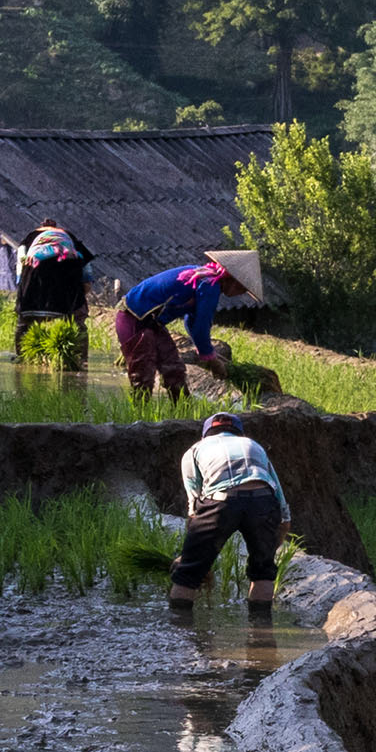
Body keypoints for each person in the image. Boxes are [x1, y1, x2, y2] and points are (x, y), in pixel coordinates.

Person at [168, 408, 290, 614]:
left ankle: (179, 626)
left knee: (187, 573)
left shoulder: (195, 450)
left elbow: (194, 506)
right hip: (263, 501)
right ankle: (261, 628)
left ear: (206, 434)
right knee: (263, 571)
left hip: (221, 500)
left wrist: (191, 557)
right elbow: (277, 492)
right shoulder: (254, 446)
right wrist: (274, 540)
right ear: (239, 433)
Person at [113, 255, 236, 401]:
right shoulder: (210, 285)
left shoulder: (204, 277)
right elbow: (202, 324)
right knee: (143, 375)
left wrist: (206, 352)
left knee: (173, 369)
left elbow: (192, 321)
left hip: (152, 323)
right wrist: (211, 358)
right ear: (233, 281)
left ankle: (184, 409)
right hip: (134, 319)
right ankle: (140, 413)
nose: (242, 292)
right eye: (242, 288)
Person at [12, 222, 93, 328]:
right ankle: (78, 329)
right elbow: (87, 277)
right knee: (77, 322)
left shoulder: (27, 241)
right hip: (67, 286)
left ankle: (24, 329)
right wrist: (78, 298)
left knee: (25, 325)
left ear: (41, 228)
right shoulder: (72, 239)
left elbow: (20, 276)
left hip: (34, 288)